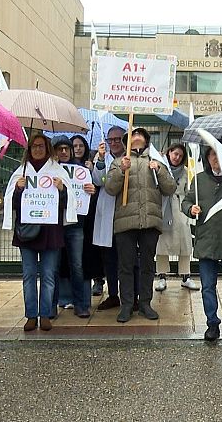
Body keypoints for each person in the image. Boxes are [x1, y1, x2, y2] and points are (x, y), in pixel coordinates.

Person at [104, 127, 176, 322]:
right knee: (125, 266)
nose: (136, 138)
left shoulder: (157, 162)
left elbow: (170, 188)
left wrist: (159, 170)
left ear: (146, 141)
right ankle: (126, 304)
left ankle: (145, 303)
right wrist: (121, 171)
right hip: (125, 222)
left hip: (150, 221)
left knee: (147, 266)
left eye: (140, 136)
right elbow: (110, 188)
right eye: (133, 136)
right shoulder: (119, 162)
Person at [4, 133, 72, 332]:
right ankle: (31, 315)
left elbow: (68, 205)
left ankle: (45, 314)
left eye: (41, 146)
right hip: (27, 232)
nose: (38, 149)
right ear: (29, 149)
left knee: (49, 275)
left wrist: (62, 190)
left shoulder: (58, 171)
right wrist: (18, 189)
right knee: (29, 275)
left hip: (51, 232)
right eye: (34, 146)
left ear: (47, 148)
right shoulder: (21, 172)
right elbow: (13, 204)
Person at [182, 141, 222, 342]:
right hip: (206, 239)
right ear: (207, 158)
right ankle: (212, 324)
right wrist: (190, 209)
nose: (216, 160)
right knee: (208, 286)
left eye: (220, 156)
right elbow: (186, 201)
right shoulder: (199, 180)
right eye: (212, 156)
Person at [53, 135, 96, 318]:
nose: (63, 152)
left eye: (66, 148)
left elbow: (86, 196)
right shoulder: (47, 172)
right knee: (52, 267)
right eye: (59, 148)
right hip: (52, 226)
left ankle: (81, 305)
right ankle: (50, 307)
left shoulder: (80, 171)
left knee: (77, 265)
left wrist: (91, 191)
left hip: (76, 224)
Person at [155, 143, 198, 292]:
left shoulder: (186, 171)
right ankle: (161, 276)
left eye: (180, 155)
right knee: (162, 242)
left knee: (184, 241)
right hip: (164, 205)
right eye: (175, 154)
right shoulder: (161, 168)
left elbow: (189, 191)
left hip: (180, 207)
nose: (177, 157)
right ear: (169, 153)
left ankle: (186, 276)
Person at [92, 126, 126, 310]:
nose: (113, 143)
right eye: (110, 139)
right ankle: (113, 294)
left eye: (117, 139)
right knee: (110, 259)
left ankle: (130, 296)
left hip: (125, 213)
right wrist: (102, 161)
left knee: (127, 260)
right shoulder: (102, 157)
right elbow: (99, 180)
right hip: (107, 212)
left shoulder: (130, 159)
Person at [72, 135, 104, 297]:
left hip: (90, 214)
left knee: (92, 248)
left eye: (80, 146)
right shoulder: (65, 166)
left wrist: (92, 170)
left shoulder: (90, 165)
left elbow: (100, 185)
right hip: (72, 216)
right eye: (74, 146)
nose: (77, 148)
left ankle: (98, 280)